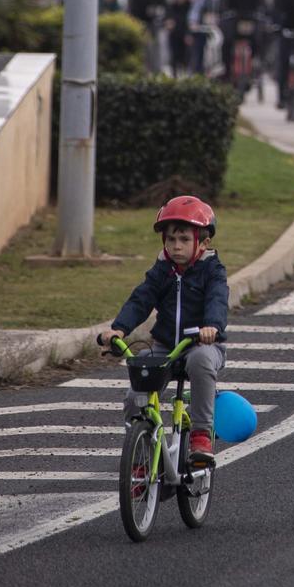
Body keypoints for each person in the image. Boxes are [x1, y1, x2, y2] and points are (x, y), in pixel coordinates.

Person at [101, 196, 228, 467]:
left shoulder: (212, 271)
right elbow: (141, 300)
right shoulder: (162, 270)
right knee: (135, 395)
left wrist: (212, 328)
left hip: (202, 344)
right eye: (171, 240)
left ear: (203, 243)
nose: (176, 246)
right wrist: (118, 329)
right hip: (164, 346)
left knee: (201, 361)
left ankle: (201, 433)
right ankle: (140, 459)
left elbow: (217, 300)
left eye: (184, 239)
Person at [218, 0, 267, 82]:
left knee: (260, 38)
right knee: (227, 41)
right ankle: (227, 68)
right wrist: (226, 12)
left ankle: (256, 61)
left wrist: (260, 12)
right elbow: (224, 3)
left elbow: (262, 3)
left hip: (252, 19)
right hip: (234, 20)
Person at [187, 0, 224, 76]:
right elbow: (195, 10)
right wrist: (193, 22)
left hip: (219, 29)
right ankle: (198, 71)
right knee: (199, 49)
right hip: (204, 28)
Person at [164, 0, 194, 76]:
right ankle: (174, 75)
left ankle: (185, 74)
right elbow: (166, 18)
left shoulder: (190, 6)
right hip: (174, 34)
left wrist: (189, 34)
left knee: (185, 57)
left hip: (185, 34)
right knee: (174, 56)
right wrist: (168, 22)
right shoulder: (171, 6)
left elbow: (191, 21)